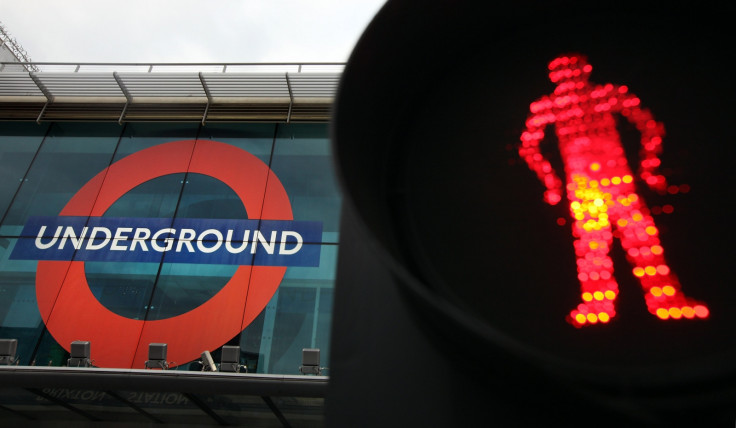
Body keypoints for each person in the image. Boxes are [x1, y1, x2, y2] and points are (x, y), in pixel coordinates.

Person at [519, 53, 708, 327]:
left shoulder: (602, 95)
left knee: (641, 243)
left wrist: (648, 167)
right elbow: (528, 147)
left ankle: (664, 302)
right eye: (563, 72)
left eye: (573, 69)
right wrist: (551, 182)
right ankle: (598, 307)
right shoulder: (551, 106)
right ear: (554, 76)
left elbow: (649, 127)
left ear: (585, 69)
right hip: (585, 188)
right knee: (595, 249)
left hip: (616, 182)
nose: (569, 77)